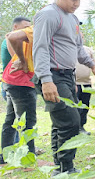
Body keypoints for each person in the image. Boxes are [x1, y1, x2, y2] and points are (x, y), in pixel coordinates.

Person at [32, 0, 95, 175]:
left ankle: (59, 167)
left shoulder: (72, 19)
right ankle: (66, 167)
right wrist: (46, 80)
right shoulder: (48, 15)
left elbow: (78, 48)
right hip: (52, 76)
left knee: (61, 122)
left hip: (67, 76)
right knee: (72, 121)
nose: (77, 4)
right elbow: (41, 48)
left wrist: (92, 66)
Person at [0, 23, 35, 164]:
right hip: (21, 81)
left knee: (11, 120)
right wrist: (21, 59)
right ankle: (28, 160)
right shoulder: (37, 27)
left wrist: (18, 58)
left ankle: (5, 156)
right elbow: (11, 37)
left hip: (12, 80)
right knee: (26, 122)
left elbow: (9, 37)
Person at [1, 17, 31, 101]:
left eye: (29, 28)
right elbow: (18, 60)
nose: (27, 31)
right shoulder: (12, 41)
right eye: (25, 28)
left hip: (17, 84)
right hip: (15, 85)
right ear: (15, 27)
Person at [75, 45, 95, 135]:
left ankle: (82, 126)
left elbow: (93, 64)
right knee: (76, 106)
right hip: (75, 83)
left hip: (87, 82)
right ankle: (76, 127)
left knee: (85, 106)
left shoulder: (88, 50)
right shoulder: (70, 47)